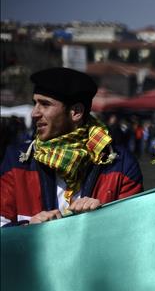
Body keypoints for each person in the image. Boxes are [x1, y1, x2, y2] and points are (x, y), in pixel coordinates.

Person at [1, 67, 142, 226]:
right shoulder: (16, 160)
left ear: (76, 112)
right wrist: (28, 229)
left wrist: (99, 220)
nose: (34, 113)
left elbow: (132, 230)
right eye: (35, 103)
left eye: (45, 104)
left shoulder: (122, 165)